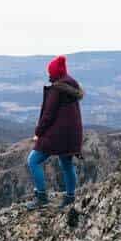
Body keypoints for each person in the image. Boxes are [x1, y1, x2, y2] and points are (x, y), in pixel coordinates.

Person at [26, 55, 84, 210]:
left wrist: (38, 132)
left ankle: (41, 197)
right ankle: (70, 197)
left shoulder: (57, 89)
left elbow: (48, 115)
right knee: (67, 164)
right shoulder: (71, 87)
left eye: (50, 72)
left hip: (57, 135)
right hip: (72, 135)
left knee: (33, 160)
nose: (49, 75)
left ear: (55, 72)